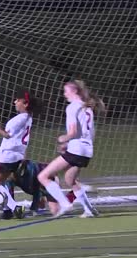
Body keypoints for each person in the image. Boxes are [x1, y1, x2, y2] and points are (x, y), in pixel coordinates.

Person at [37, 80, 105, 218]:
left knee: (43, 176)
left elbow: (73, 132)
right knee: (70, 180)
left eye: (66, 91)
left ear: (74, 91)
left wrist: (64, 138)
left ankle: (65, 204)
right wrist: (69, 144)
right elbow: (88, 133)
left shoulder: (72, 107)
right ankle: (89, 210)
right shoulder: (87, 108)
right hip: (86, 151)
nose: (64, 94)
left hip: (77, 150)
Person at [0, 89, 41, 218]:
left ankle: (13, 208)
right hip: (17, 157)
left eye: (18, 100)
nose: (15, 102)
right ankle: (9, 209)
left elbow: (7, 135)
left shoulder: (19, 119)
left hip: (6, 157)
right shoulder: (29, 118)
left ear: (25, 104)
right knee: (2, 183)